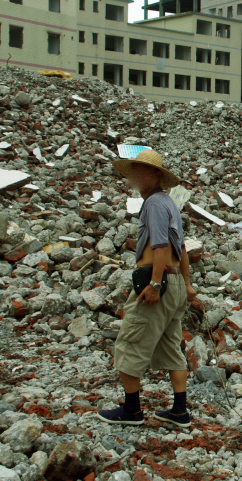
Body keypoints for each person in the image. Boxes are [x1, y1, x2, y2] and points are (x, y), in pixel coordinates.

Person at [97, 149, 198, 428]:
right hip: (175, 283)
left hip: (160, 282)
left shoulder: (154, 203)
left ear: (156, 175)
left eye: (141, 171)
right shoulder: (170, 204)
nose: (135, 176)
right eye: (134, 170)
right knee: (170, 346)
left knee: (130, 342)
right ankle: (180, 411)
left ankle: (132, 411)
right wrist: (187, 286)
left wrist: (154, 284)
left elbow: (162, 246)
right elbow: (183, 248)